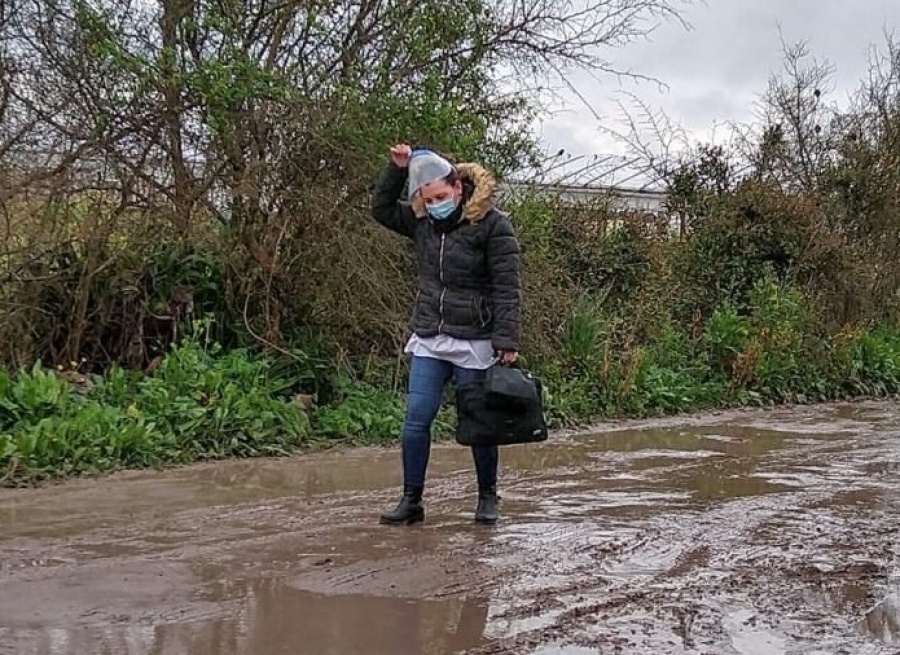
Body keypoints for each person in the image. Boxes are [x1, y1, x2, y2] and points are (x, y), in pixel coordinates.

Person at [370, 144, 522, 525]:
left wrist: (506, 340)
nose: (437, 203)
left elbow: (507, 286)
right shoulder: (421, 223)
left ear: (458, 187)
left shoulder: (492, 224)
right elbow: (381, 209)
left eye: (442, 196)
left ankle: (488, 497)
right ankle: (412, 500)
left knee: (477, 423)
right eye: (429, 198)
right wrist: (396, 169)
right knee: (416, 419)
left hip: (474, 338)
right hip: (430, 336)